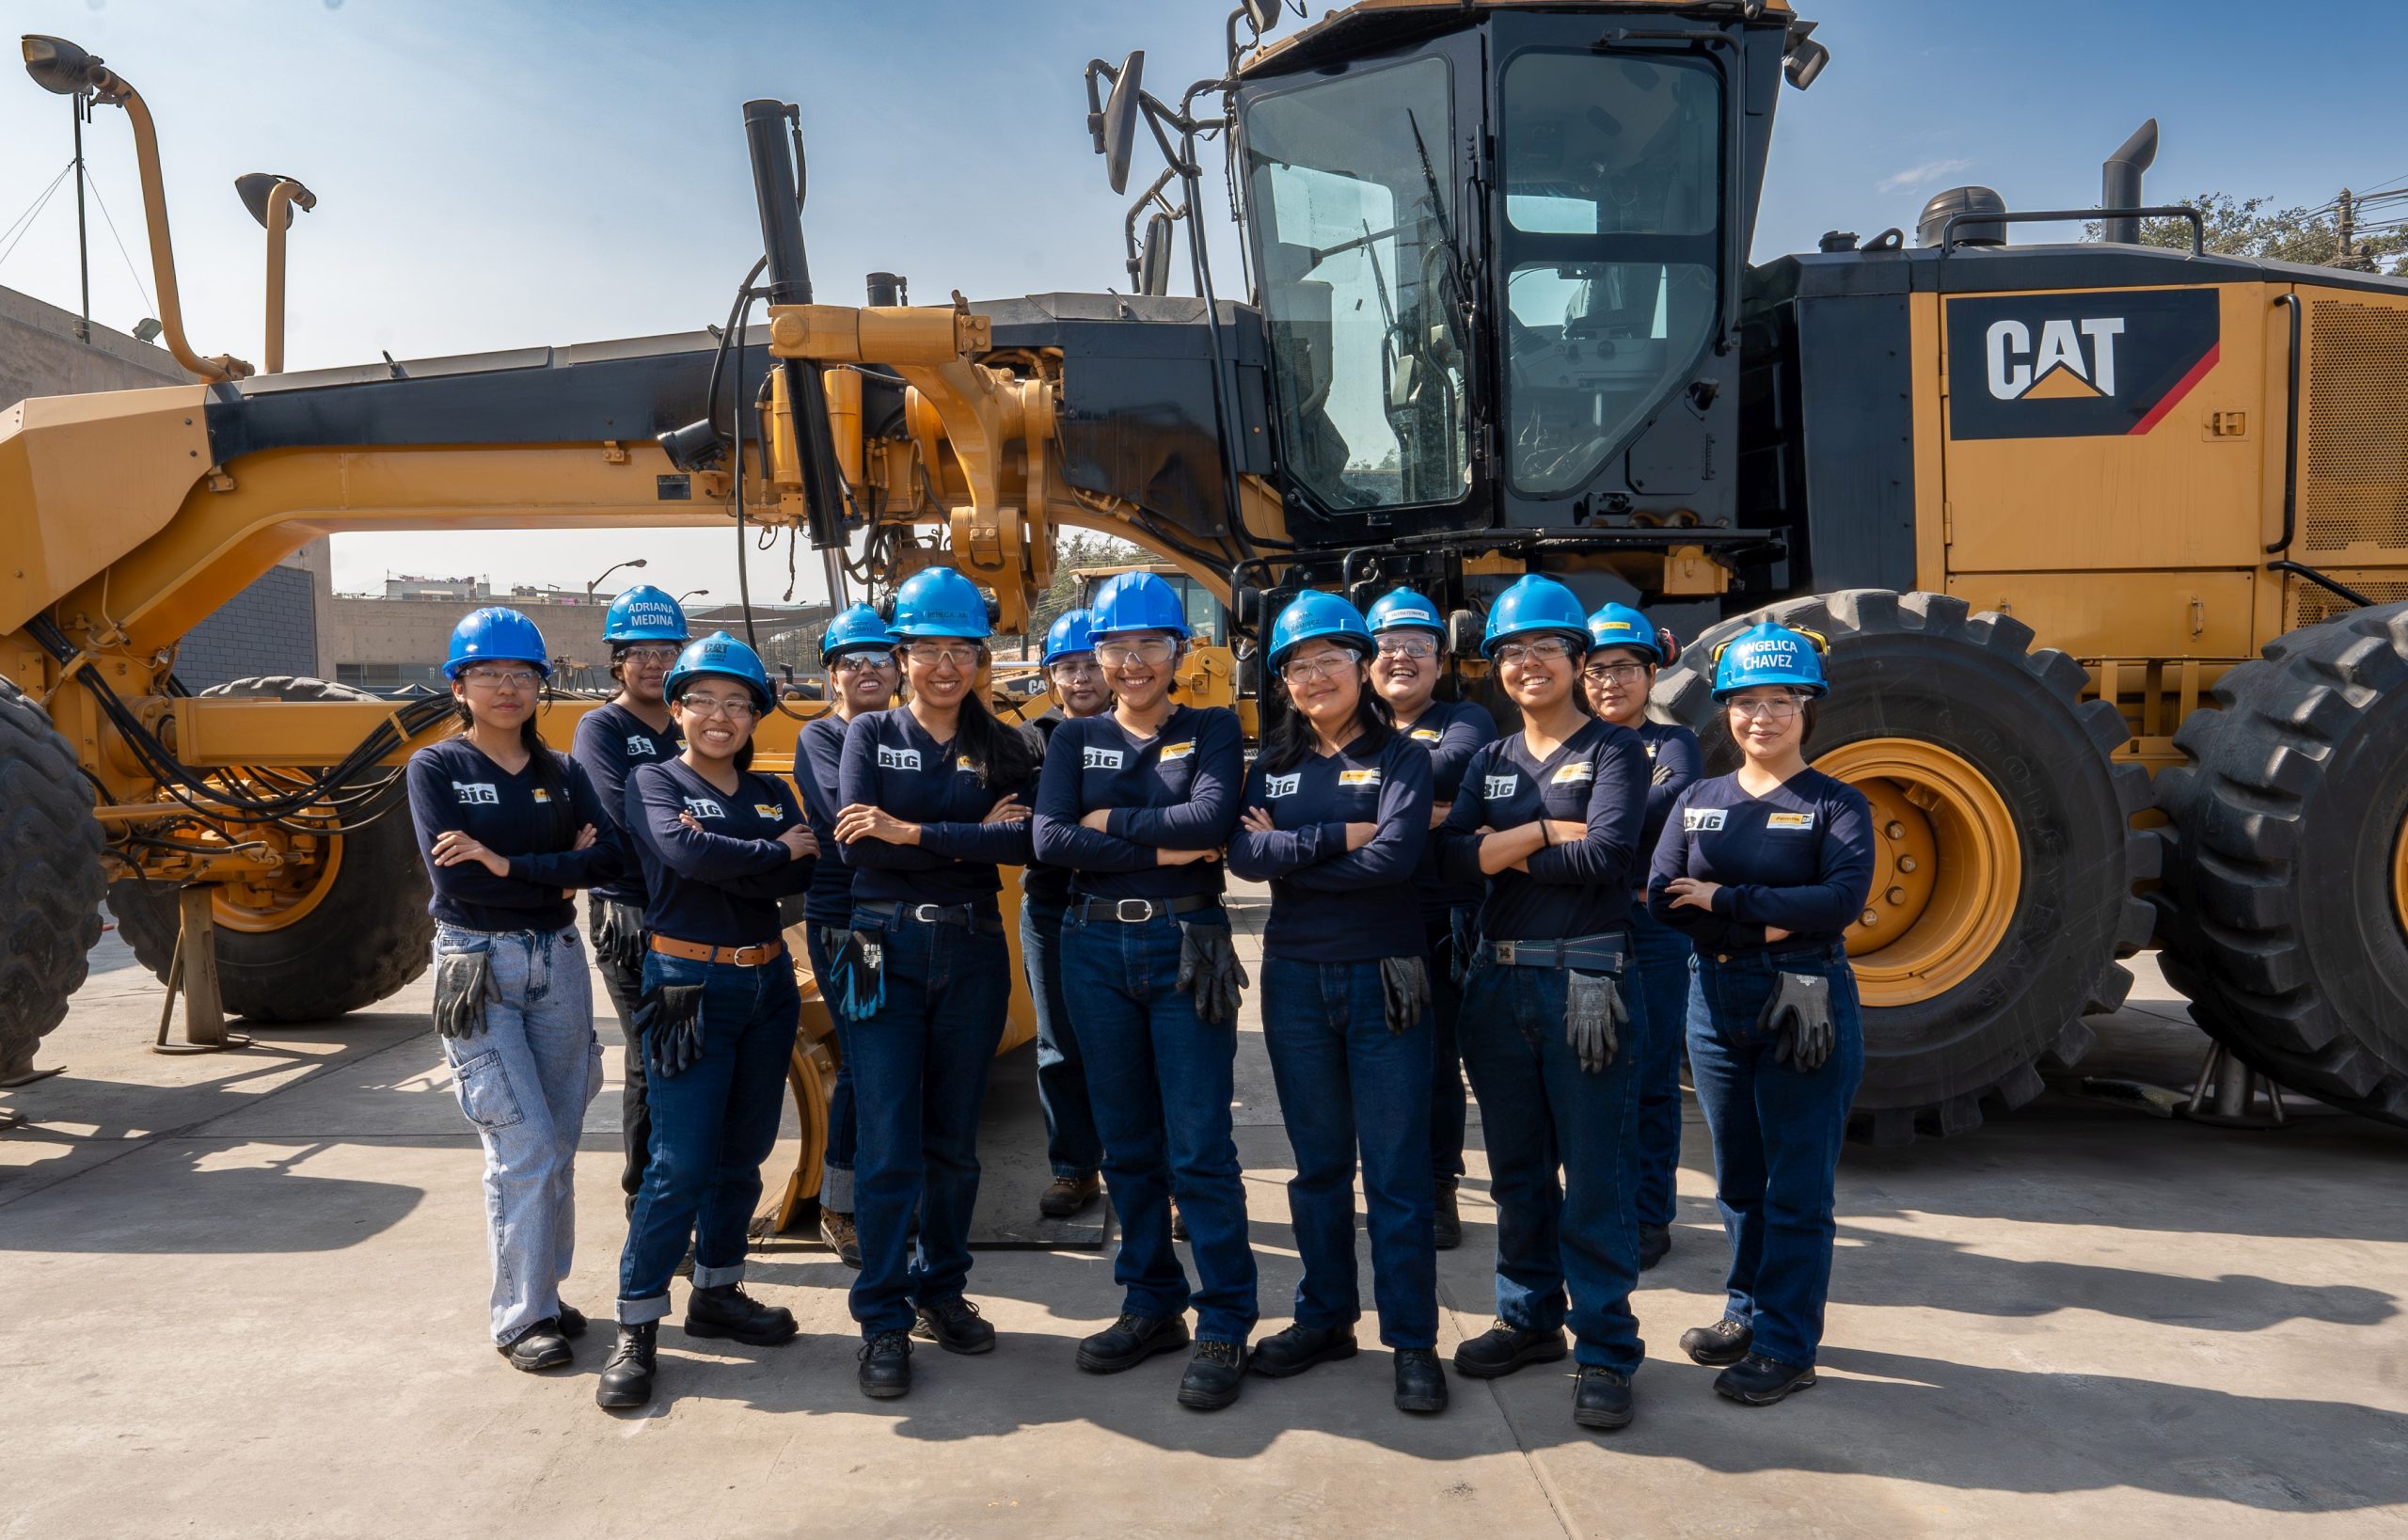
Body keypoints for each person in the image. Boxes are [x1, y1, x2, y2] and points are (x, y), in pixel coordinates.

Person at [1032, 569, 1256, 1413]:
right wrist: (1156, 845)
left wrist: (1108, 826)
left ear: (1179, 652)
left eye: (1148, 646)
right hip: (1092, 947)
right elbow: (1050, 841)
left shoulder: (1211, 728)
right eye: (1115, 647)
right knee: (1126, 1143)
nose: (1130, 663)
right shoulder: (1071, 740)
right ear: (1096, 652)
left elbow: (1210, 826)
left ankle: (1227, 1314)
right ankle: (1151, 1301)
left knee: (1198, 1145)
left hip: (1186, 944)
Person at [1433, 574, 1652, 1434]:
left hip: (1586, 979)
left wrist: (1497, 851)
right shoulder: (1489, 760)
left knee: (1595, 1173)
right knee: (1518, 1170)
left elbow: (1607, 858)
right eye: (1511, 651)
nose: (1528, 663)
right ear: (1494, 668)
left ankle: (1605, 1347)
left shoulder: (1615, 752)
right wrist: (1534, 835)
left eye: (1545, 648)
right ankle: (1528, 1318)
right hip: (1498, 980)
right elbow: (1449, 864)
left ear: (1575, 658)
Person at [1228, 593, 1445, 1416]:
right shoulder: (1273, 763)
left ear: (1362, 666)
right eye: (1298, 665)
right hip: (1295, 980)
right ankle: (1325, 1317)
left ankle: (1414, 1340)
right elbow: (1245, 855)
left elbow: (1394, 861)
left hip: (1384, 976)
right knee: (1318, 1166)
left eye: (1330, 660)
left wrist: (1293, 853)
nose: (1314, 676)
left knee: (1394, 1172)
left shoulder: (1404, 759)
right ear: (1282, 680)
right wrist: (1334, 839)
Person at [1648, 622, 1874, 1408]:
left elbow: (1839, 902)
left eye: (1781, 701)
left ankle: (1787, 1343)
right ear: (1725, 711)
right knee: (1739, 1178)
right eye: (1745, 702)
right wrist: (1765, 918)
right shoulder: (1696, 797)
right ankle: (1745, 1312)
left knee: (1798, 1187)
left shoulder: (1836, 804)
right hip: (1714, 1000)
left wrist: (1725, 901)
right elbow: (1661, 898)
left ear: (1808, 709)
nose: (1762, 718)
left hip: (1803, 997)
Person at [597, 631, 817, 1410]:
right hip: (687, 983)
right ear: (678, 708)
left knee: (743, 1155)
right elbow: (687, 856)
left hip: (765, 986)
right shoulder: (653, 781)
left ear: (755, 714)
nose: (719, 716)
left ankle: (719, 1292)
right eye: (704, 701)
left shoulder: (770, 792)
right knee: (679, 1163)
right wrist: (766, 849)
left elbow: (800, 867)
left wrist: (752, 849)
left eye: (737, 703)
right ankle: (637, 1323)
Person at [832, 567, 1037, 1401]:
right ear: (902, 654)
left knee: (954, 1139)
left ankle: (940, 1289)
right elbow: (857, 848)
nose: (944, 666)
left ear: (981, 657)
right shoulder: (868, 736)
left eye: (960, 650)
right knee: (887, 1142)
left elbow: (1020, 846)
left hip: (972, 950)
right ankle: (882, 1316)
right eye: (926, 649)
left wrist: (911, 829)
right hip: (881, 949)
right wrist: (965, 837)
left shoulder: (1005, 745)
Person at [406, 607, 622, 1373]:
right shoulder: (436, 769)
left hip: (557, 959)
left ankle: (544, 1292)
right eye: (488, 674)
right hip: (478, 965)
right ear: (458, 686)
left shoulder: (563, 773)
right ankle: (520, 1316)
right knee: (521, 1140)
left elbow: (609, 860)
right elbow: (455, 875)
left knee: (559, 1140)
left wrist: (508, 862)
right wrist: (553, 857)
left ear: (542, 685)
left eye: (522, 674)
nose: (506, 687)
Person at [1363, 586, 1496, 1251]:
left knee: (1436, 1059)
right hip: (1360, 916)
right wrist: (1424, 808)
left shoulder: (1466, 719)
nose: (1402, 658)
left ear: (1439, 663)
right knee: (1375, 1060)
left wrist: (1362, 792)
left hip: (1437, 920)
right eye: (1387, 647)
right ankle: (1390, 1179)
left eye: (1417, 646)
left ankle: (1439, 1184)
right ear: (1366, 659)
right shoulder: (1339, 721)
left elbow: (1461, 766)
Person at [1582, 601, 1702, 1272]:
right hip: (1585, 923)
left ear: (1651, 671)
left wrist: (1583, 813)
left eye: (1624, 667)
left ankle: (1651, 1213)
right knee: (1594, 1072)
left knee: (1651, 1074)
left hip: (1651, 926)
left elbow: (1668, 807)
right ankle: (1603, 1205)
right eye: (1596, 670)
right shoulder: (1572, 741)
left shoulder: (1673, 742)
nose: (1609, 683)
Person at [570, 584, 689, 1217]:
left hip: (693, 909)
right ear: (617, 661)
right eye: (638, 651)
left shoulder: (690, 721)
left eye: (665, 649)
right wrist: (697, 830)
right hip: (632, 915)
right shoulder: (602, 728)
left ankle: (681, 1190)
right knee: (651, 1059)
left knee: (689, 1054)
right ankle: (645, 1198)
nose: (652, 663)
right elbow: (624, 816)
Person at [791, 602, 902, 1268]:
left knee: (897, 1060)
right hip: (852, 922)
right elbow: (846, 821)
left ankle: (888, 1191)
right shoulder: (822, 739)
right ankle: (841, 1203)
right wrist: (929, 821)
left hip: (906, 914)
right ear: (832, 675)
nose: (866, 670)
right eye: (851, 660)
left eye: (879, 658)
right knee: (865, 1061)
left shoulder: (915, 730)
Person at [1020, 607, 1111, 1220]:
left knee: (1146, 1047)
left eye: (1088, 664)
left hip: (1125, 910)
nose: (1079, 678)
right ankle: (1075, 1168)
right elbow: (1030, 827)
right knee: (1059, 1046)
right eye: (1065, 666)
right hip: (1053, 906)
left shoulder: (1142, 728)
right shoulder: (1032, 736)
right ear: (1050, 675)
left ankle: (1170, 1178)